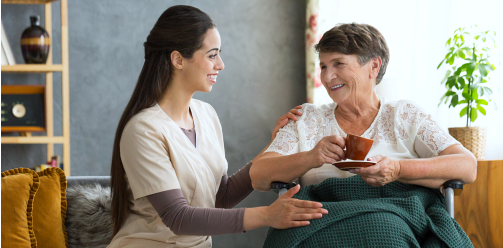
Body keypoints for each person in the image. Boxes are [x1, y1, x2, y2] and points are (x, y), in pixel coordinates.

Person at [107, 5, 328, 248]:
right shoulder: (143, 130)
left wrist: (273, 147)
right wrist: (267, 215)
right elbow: (177, 217)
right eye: (212, 55)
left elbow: (219, 197)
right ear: (178, 59)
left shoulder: (206, 115)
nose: (220, 64)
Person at [250, 23, 477, 194]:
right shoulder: (307, 118)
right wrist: (311, 157)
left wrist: (398, 169)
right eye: (323, 66)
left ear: (374, 66)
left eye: (339, 63)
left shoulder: (405, 115)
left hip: (397, 220)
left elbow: (467, 166)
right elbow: (258, 175)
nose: (328, 77)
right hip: (324, 223)